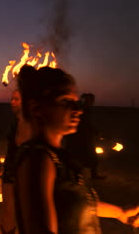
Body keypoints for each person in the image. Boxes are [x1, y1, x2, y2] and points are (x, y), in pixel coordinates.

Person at [13, 65, 138, 234]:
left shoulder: (57, 156)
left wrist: (120, 213)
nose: (78, 110)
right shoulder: (38, 160)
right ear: (37, 109)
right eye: (66, 101)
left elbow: (74, 201)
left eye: (76, 102)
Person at [0, 90, 32, 234]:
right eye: (12, 98)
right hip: (11, 172)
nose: (12, 102)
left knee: (17, 213)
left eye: (16, 99)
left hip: (21, 175)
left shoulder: (28, 123)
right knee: (9, 212)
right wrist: (4, 168)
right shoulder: (17, 122)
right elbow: (12, 150)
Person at [64, 93, 105, 179]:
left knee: (87, 155)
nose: (92, 102)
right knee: (78, 155)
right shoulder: (82, 109)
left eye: (92, 100)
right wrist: (95, 131)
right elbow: (85, 123)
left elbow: (87, 123)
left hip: (83, 136)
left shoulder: (85, 108)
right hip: (79, 136)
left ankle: (91, 174)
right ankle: (74, 176)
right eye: (90, 100)